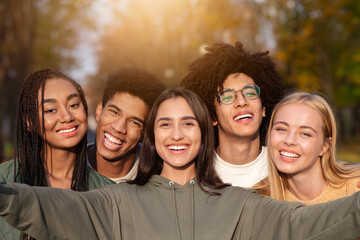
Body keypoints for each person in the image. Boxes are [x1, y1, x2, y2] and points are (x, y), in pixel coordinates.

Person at [0, 88, 360, 240]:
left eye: (188, 123)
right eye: (164, 124)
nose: (177, 135)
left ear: (203, 133)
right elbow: (46, 206)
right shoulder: (117, 202)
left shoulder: (241, 205)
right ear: (152, 138)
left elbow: (310, 224)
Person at [0, 68, 110, 239]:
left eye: (73, 105)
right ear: (30, 122)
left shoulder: (108, 192)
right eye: (51, 110)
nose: (66, 116)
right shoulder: (4, 179)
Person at [181, 41, 285, 187]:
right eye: (227, 96)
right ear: (212, 116)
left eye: (250, 92)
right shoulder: (194, 172)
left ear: (264, 108)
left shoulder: (284, 166)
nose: (241, 101)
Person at [254, 91, 360, 204]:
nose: (289, 141)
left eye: (305, 134)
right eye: (281, 129)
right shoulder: (259, 201)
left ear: (324, 146)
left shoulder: (354, 189)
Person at [87, 68, 166, 183]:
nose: (119, 127)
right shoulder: (68, 166)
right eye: (114, 112)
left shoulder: (158, 176)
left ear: (144, 132)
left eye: (134, 122)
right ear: (99, 111)